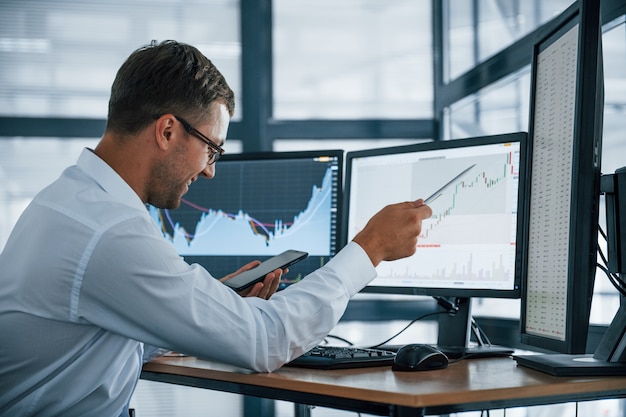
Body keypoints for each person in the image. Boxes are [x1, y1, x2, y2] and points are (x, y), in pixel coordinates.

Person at [0, 40, 432, 417]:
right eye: (211, 149)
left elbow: (101, 336)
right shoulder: (110, 231)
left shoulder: (71, 201)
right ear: (168, 130)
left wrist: (212, 307)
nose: (209, 172)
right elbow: (265, 340)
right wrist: (369, 248)